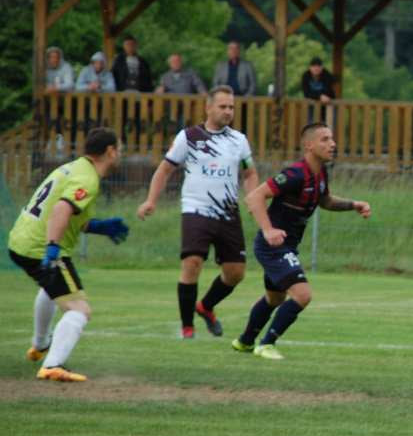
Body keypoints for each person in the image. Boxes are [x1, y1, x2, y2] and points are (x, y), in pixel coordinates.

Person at [233, 122, 371, 359]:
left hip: (285, 246)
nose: (333, 144)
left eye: (332, 139)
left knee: (275, 298)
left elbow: (325, 201)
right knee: (302, 295)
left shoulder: (320, 173)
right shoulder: (294, 174)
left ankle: (245, 342)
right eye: (325, 139)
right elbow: (255, 197)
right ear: (309, 145)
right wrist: (268, 230)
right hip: (273, 246)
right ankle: (266, 344)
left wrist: (352, 205)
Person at [137, 85, 259, 339]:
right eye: (223, 106)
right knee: (192, 263)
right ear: (209, 107)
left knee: (235, 273)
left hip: (228, 212)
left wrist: (253, 195)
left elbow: (249, 172)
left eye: (232, 107)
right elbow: (164, 170)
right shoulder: (189, 136)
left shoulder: (239, 140)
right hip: (196, 208)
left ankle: (205, 307)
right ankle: (187, 327)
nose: (228, 111)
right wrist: (151, 201)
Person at [8, 128, 128, 382]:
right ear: (110, 151)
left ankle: (40, 345)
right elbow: (61, 210)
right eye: (120, 149)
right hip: (41, 246)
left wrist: (99, 227)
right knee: (79, 310)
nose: (121, 155)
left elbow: (70, 215)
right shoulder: (88, 179)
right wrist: (52, 248)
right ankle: (53, 364)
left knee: (52, 290)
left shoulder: (73, 168)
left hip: (21, 240)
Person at [301, 57, 336, 122]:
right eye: (314, 66)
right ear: (310, 67)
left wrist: (320, 95)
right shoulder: (306, 76)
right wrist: (319, 96)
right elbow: (306, 93)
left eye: (318, 66)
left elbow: (329, 91)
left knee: (329, 126)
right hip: (312, 106)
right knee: (311, 125)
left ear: (322, 67)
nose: (316, 68)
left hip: (327, 106)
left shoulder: (327, 75)